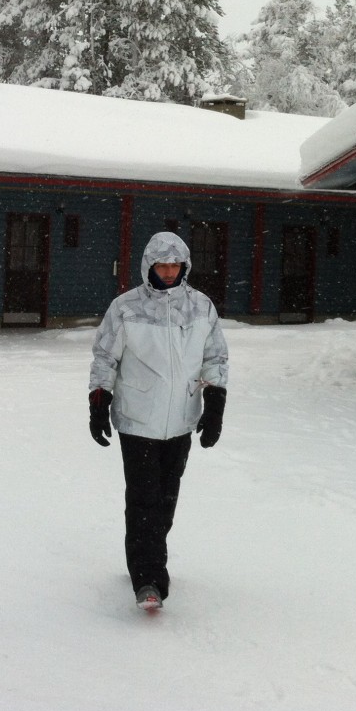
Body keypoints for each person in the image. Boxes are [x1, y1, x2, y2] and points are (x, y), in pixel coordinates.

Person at [88, 231, 229, 611]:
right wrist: (99, 401)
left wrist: (214, 405)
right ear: (149, 265)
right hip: (137, 420)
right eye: (161, 265)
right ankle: (149, 578)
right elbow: (105, 357)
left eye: (175, 265)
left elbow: (215, 358)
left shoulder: (201, 308)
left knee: (165, 500)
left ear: (185, 266)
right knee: (144, 499)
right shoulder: (126, 308)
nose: (168, 272)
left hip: (180, 420)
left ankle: (147, 554)